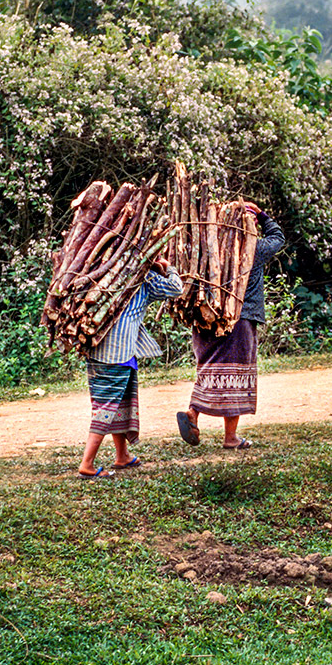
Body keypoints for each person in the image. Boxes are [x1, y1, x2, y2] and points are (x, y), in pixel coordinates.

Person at [176, 204, 285, 449]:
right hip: (240, 318)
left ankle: (193, 413)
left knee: (209, 368)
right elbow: (278, 238)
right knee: (236, 373)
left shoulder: (205, 248)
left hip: (205, 316)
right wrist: (263, 216)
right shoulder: (254, 248)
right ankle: (230, 437)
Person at [79, 257, 183, 478]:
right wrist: (167, 266)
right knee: (106, 407)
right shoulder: (145, 277)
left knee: (119, 404)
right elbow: (176, 288)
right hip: (116, 353)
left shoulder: (103, 269)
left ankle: (122, 456)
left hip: (99, 348)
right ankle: (87, 464)